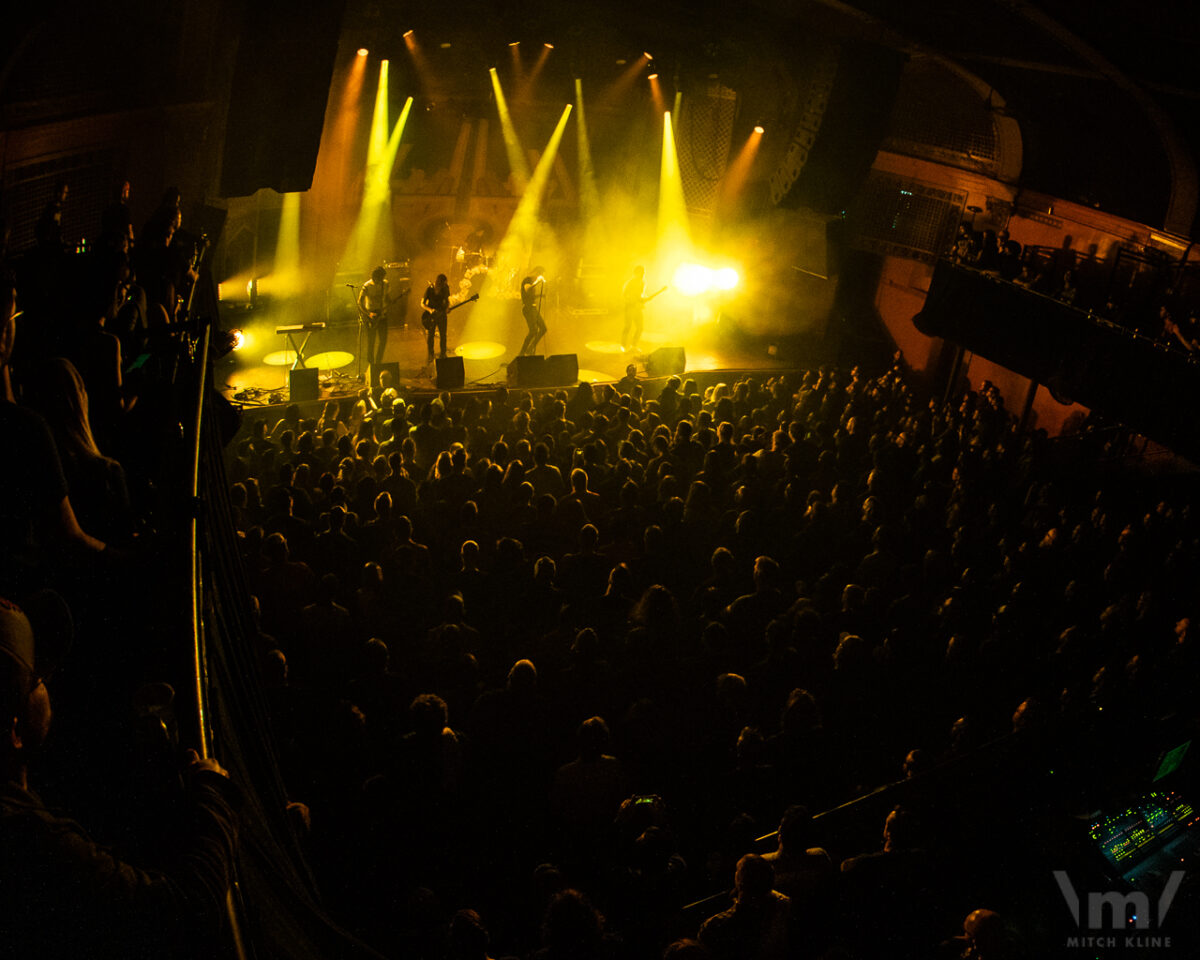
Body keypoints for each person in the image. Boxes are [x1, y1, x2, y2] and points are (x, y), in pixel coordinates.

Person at [0, 596, 241, 958]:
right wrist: (215, 794)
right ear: (14, 730)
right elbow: (186, 912)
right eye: (38, 678)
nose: (49, 685)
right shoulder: (30, 839)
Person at [357, 265, 392, 368]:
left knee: (383, 340)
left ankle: (378, 362)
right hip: (371, 315)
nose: (380, 280)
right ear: (374, 277)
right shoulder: (367, 286)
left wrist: (391, 302)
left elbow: (387, 298)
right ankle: (371, 364)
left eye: (381, 278)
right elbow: (360, 302)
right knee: (371, 341)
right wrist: (368, 314)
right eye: (378, 278)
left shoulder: (385, 284)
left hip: (382, 315)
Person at [422, 273, 451, 363]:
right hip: (432, 316)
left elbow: (447, 301)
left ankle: (443, 353)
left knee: (443, 335)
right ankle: (431, 354)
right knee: (431, 335)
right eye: (442, 284)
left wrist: (447, 308)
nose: (444, 286)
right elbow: (422, 304)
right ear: (438, 282)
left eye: (445, 284)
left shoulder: (445, 289)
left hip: (442, 315)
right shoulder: (430, 290)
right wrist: (430, 310)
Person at [520, 269, 547, 356]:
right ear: (536, 273)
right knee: (533, 331)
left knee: (543, 328)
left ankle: (530, 347)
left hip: (533, 308)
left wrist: (540, 295)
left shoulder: (533, 282)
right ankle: (522, 352)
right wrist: (538, 282)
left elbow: (531, 295)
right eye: (540, 273)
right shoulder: (527, 280)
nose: (540, 275)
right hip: (528, 309)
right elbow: (527, 289)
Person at [622, 265, 647, 353]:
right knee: (628, 326)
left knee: (640, 327)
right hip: (630, 307)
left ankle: (634, 345)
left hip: (637, 309)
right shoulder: (630, 283)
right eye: (640, 272)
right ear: (636, 273)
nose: (642, 274)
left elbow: (640, 296)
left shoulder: (643, 283)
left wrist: (643, 300)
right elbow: (625, 295)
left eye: (643, 272)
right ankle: (623, 346)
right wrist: (632, 302)